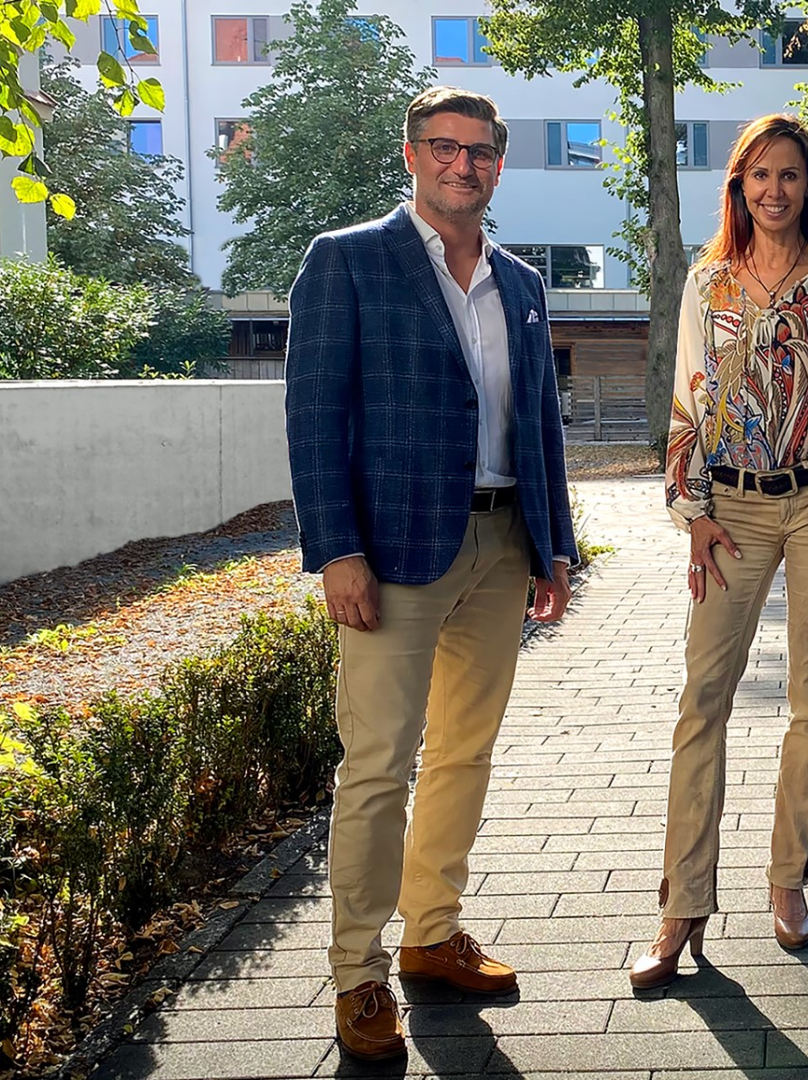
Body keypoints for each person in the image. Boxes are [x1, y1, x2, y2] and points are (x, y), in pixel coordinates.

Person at [285, 86, 577, 1059]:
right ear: (411, 156)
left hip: (500, 551)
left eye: (482, 151)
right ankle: (358, 976)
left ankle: (432, 935)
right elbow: (313, 419)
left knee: (463, 753)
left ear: (500, 163)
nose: (464, 165)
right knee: (375, 768)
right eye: (444, 148)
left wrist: (555, 546)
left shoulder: (523, 286)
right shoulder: (347, 263)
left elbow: (539, 427)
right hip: (393, 556)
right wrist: (334, 550)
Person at [631, 114, 808, 990]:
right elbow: (686, 402)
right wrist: (692, 510)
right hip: (734, 514)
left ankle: (788, 880)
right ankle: (683, 903)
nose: (775, 191)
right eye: (760, 177)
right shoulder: (704, 284)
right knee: (701, 697)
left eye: (790, 176)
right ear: (740, 187)